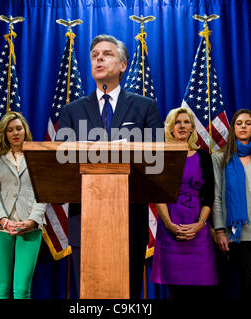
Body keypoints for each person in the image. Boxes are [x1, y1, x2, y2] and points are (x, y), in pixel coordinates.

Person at [56, 34, 164, 298]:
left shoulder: (145, 107)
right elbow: (61, 163)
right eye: (94, 56)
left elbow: (157, 160)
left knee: (128, 294)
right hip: (85, 218)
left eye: (107, 54)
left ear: (123, 65)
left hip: (130, 219)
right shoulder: (72, 110)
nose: (99, 59)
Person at [150, 107, 218, 299]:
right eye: (177, 122)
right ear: (170, 128)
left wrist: (200, 224)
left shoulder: (203, 156)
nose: (181, 126)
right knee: (176, 290)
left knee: (201, 289)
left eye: (186, 122)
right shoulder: (161, 155)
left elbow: (209, 194)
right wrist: (169, 225)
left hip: (198, 225)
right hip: (171, 225)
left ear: (192, 129)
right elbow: (158, 195)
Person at [212, 109, 251, 299]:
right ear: (232, 128)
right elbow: (216, 195)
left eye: (248, 123)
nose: (243, 127)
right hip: (237, 235)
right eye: (239, 123)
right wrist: (220, 230)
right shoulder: (220, 158)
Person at [0, 111, 47, 299]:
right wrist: (3, 220)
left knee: (22, 290)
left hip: (29, 227)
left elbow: (42, 194)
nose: (15, 133)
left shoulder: (37, 155)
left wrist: (32, 221)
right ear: (4, 134)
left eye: (18, 128)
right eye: (10, 130)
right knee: (1, 288)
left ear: (25, 130)